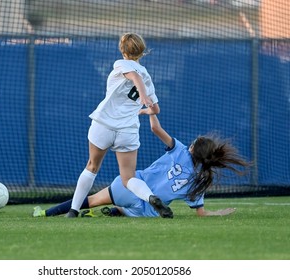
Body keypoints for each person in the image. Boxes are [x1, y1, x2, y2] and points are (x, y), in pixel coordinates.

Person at [33, 114, 250, 218]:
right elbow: (201, 213)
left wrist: (151, 111)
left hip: (130, 186)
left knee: (88, 200)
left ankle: (44, 213)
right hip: (148, 212)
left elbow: (155, 128)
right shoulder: (199, 182)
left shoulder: (180, 150)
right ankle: (119, 212)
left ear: (193, 148)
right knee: (145, 210)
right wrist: (218, 213)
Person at [63, 33, 173, 218]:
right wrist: (145, 107)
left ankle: (73, 211)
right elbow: (156, 109)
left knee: (92, 166)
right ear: (142, 51)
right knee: (128, 178)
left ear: (123, 50)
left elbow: (134, 76)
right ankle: (151, 197)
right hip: (127, 130)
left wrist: (142, 95)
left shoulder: (122, 64)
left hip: (104, 124)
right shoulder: (147, 76)